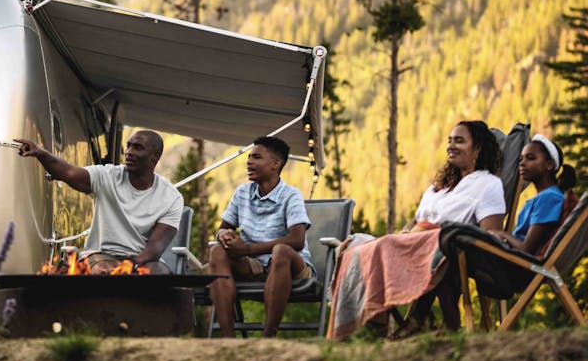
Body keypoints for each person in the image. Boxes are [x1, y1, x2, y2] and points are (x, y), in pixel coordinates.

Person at [328, 120, 505, 339]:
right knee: (356, 246)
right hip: (415, 243)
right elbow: (414, 222)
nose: (451, 146)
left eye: (459, 141)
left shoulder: (488, 184)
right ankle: (372, 322)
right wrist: (404, 233)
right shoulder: (440, 186)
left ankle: (401, 322)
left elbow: (491, 233)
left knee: (388, 246)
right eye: (450, 141)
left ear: (478, 148)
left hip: (448, 245)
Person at [14, 129, 183, 274]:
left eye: (138, 148)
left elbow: (155, 248)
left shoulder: (171, 197)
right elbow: (68, 172)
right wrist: (41, 153)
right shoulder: (107, 176)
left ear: (155, 157)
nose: (129, 152)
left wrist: (130, 265)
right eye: (129, 145)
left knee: (159, 273)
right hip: (100, 254)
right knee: (103, 271)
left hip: (141, 259)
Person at [208, 135, 314, 338]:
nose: (249, 162)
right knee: (217, 251)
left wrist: (247, 249)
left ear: (275, 164)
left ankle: (268, 337)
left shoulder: (291, 195)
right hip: (254, 266)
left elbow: (297, 240)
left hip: (290, 267)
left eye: (256, 157)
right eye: (249, 157)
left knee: (281, 251)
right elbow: (221, 228)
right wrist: (224, 235)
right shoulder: (242, 193)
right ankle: (228, 339)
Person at [490, 134, 577, 256]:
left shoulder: (550, 198)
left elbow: (526, 249)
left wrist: (501, 233)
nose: (522, 163)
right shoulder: (544, 197)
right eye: (521, 159)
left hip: (517, 265)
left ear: (549, 165)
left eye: (530, 158)